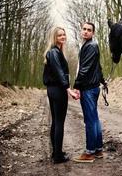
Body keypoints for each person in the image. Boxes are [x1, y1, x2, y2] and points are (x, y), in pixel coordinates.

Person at [43, 27, 78, 164]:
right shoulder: (54, 53)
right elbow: (58, 72)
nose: (63, 37)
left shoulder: (56, 52)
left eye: (64, 35)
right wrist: (67, 89)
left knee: (56, 122)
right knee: (59, 122)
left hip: (53, 90)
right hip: (57, 90)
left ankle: (56, 152)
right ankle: (58, 156)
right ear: (54, 37)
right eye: (59, 35)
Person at [73, 22, 107, 163]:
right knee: (94, 119)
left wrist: (76, 86)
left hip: (88, 88)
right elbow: (97, 67)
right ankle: (98, 150)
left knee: (90, 120)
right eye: (84, 29)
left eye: (89, 30)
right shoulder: (89, 46)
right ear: (81, 31)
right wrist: (103, 81)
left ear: (93, 33)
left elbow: (85, 69)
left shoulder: (90, 46)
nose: (86, 32)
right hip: (92, 86)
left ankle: (90, 152)